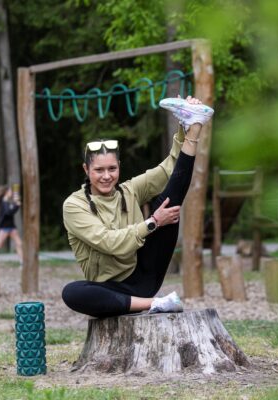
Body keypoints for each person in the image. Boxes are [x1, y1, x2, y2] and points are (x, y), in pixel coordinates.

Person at [61, 96, 214, 318]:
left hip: (145, 275)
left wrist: (184, 130)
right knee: (72, 292)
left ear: (119, 167)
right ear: (86, 169)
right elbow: (109, 242)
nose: (106, 176)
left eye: (112, 168)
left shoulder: (129, 190)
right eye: (99, 170)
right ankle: (154, 303)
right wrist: (153, 222)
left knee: (170, 201)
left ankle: (195, 125)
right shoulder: (74, 205)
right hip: (108, 288)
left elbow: (168, 170)